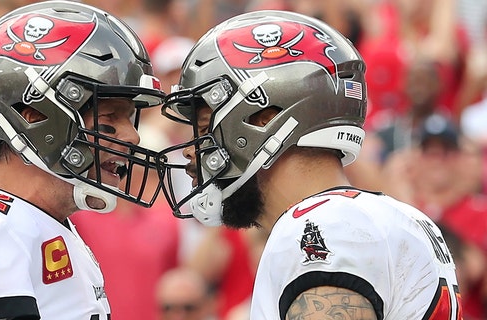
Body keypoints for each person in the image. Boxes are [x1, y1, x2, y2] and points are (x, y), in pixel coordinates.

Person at [157, 10, 463, 320]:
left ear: (265, 119)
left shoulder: (322, 227)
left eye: (207, 125)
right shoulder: (391, 216)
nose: (191, 152)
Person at [0, 1, 165, 319]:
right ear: (35, 118)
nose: (132, 137)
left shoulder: (37, 220)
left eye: (129, 117)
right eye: (110, 117)